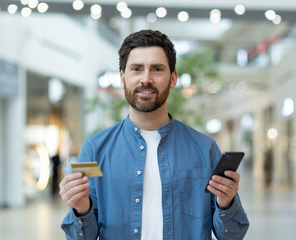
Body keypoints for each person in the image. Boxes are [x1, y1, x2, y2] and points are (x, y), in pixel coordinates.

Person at [59, 30, 249, 240]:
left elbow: (233, 235)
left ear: (173, 78)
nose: (146, 79)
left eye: (157, 69)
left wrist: (227, 202)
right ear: (122, 78)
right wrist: (80, 208)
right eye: (136, 69)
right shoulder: (95, 149)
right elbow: (81, 237)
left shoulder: (205, 149)